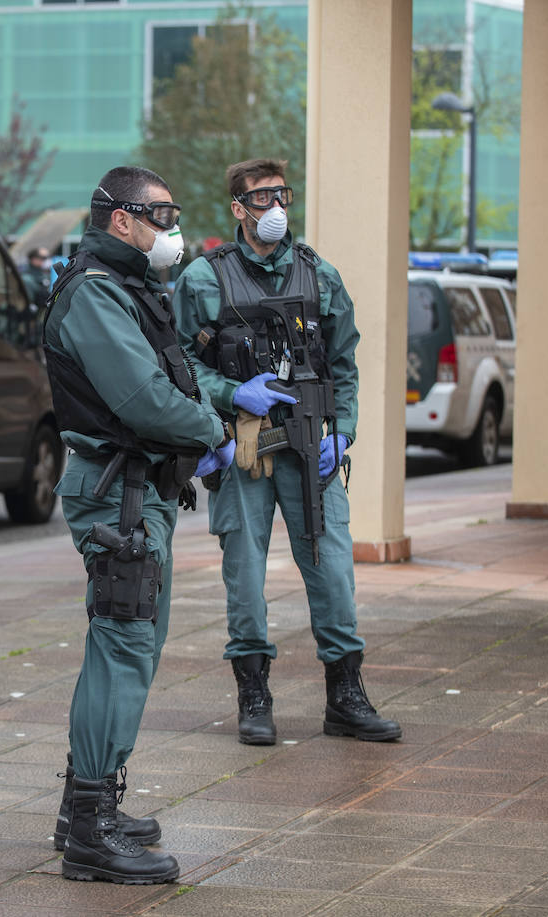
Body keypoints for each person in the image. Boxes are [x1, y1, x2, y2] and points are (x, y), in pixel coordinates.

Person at [43, 165, 235, 884]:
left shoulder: (129, 286)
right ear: (120, 219)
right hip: (115, 493)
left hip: (139, 491)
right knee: (123, 645)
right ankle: (92, 828)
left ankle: (86, 805)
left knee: (133, 646)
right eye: (161, 214)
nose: (172, 229)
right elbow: (143, 398)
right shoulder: (96, 292)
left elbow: (170, 378)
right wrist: (212, 424)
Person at [172, 158, 401, 746]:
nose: (274, 208)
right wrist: (227, 394)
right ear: (237, 207)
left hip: (309, 445)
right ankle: (254, 694)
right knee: (244, 575)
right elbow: (179, 363)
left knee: (334, 572)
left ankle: (345, 696)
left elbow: (344, 362)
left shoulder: (319, 274)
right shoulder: (204, 279)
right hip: (242, 448)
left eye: (281, 196)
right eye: (260, 198)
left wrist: (342, 432)